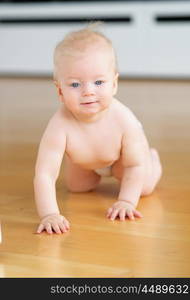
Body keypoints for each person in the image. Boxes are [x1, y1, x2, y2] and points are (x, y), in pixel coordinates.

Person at [34, 23, 162, 234]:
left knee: (144, 185)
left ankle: (153, 160)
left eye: (99, 82)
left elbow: (134, 166)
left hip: (124, 159)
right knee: (77, 187)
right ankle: (86, 166)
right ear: (60, 91)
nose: (88, 92)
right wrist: (49, 214)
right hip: (84, 160)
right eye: (75, 84)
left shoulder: (124, 120)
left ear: (114, 84)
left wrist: (127, 202)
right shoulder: (59, 125)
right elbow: (45, 174)